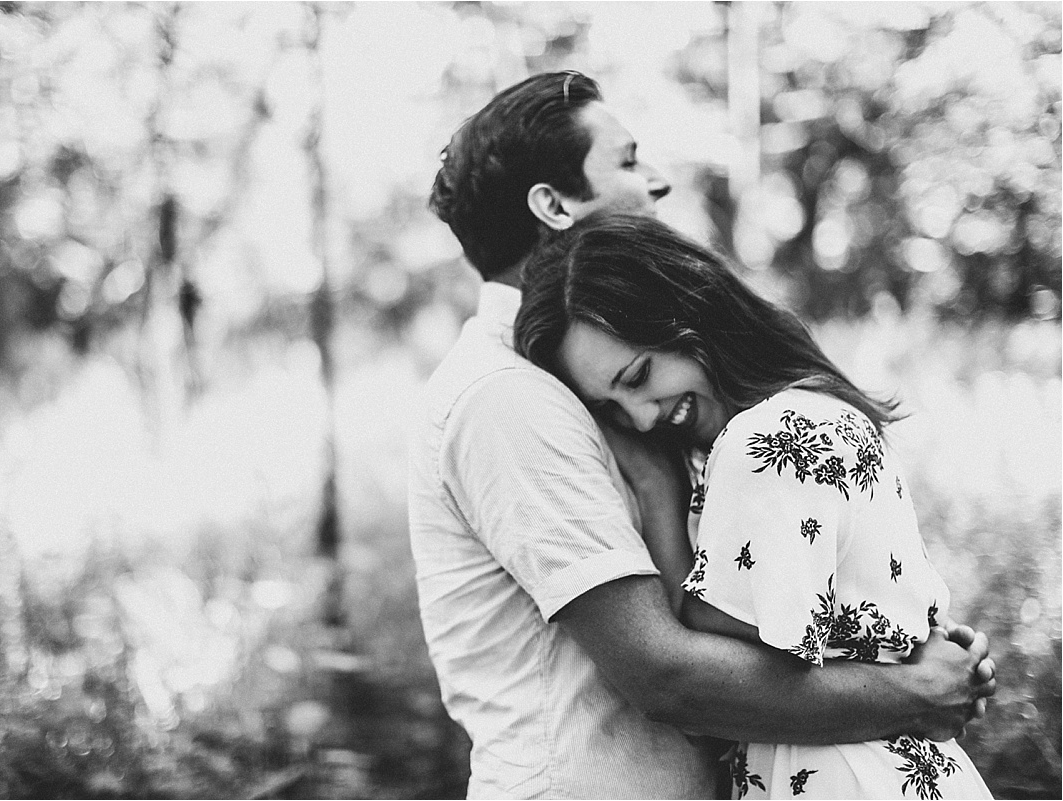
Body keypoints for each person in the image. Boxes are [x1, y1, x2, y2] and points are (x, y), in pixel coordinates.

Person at [409, 70, 994, 799]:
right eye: (625, 161)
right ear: (553, 205)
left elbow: (795, 596)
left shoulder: (627, 382)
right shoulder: (511, 397)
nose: (655, 185)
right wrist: (912, 688)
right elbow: (667, 672)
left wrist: (908, 634)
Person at [513, 211, 994, 800]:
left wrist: (657, 493)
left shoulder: (765, 439)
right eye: (611, 408)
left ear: (688, 312)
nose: (639, 420)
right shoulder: (816, 409)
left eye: (638, 376)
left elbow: (705, 670)